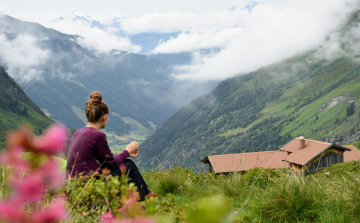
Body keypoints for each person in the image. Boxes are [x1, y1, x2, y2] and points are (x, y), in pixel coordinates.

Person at [66, 91, 151, 200]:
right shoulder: (98, 135)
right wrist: (127, 150)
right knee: (129, 166)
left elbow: (105, 161)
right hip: (89, 186)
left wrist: (126, 154)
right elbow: (111, 164)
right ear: (105, 117)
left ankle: (136, 201)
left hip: (73, 186)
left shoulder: (78, 133)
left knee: (126, 163)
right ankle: (147, 202)